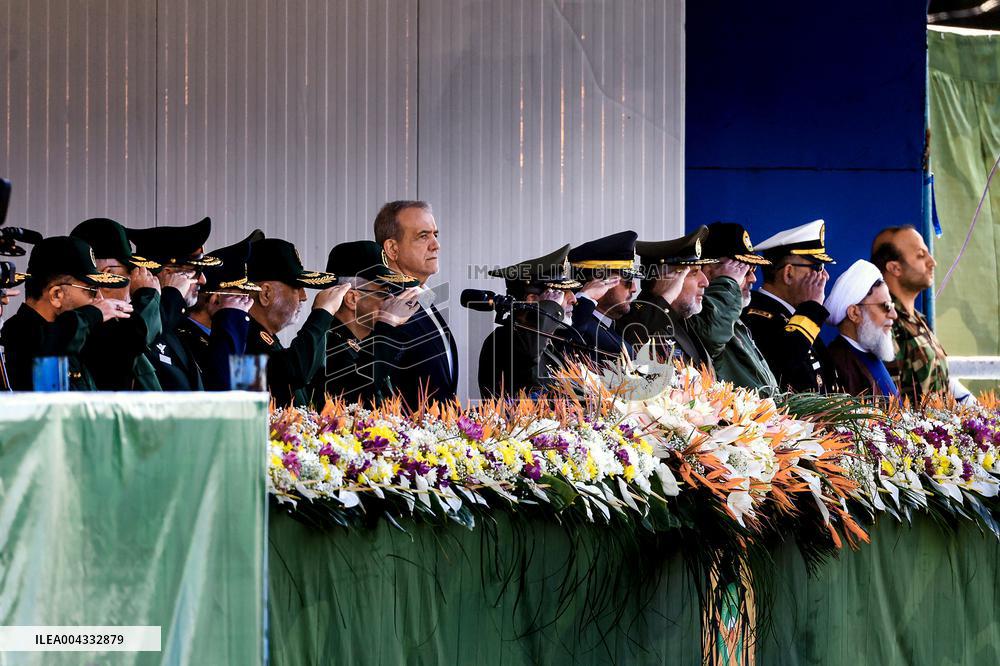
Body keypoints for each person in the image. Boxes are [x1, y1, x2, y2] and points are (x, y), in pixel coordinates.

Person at [0, 236, 132, 390]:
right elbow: (47, 347)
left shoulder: (70, 335)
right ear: (56, 295)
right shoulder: (21, 334)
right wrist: (92, 314)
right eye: (92, 291)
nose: (100, 299)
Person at [307, 240, 422, 407]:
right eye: (384, 293)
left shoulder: (362, 342)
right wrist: (387, 325)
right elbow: (358, 393)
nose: (391, 300)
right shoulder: (326, 346)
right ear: (352, 298)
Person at [871, 225, 971, 403]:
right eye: (920, 255)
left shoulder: (916, 318)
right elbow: (889, 404)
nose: (932, 262)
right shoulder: (886, 321)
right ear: (895, 268)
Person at [245, 237, 350, 407]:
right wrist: (322, 314)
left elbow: (305, 378)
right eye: (296, 288)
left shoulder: (266, 337)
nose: (304, 296)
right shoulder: (244, 337)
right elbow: (291, 373)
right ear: (265, 294)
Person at [374, 200, 459, 406]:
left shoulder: (423, 296)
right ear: (393, 248)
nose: (436, 245)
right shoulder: (383, 305)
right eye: (423, 236)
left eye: (435, 235)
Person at [127, 217, 222, 390]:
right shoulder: (134, 324)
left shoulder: (176, 322)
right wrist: (173, 295)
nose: (203, 280)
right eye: (195, 272)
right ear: (168, 273)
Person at [70, 217, 164, 390]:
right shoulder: (86, 325)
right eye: (131, 271)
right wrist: (147, 296)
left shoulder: (112, 324)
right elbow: (129, 341)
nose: (134, 280)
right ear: (107, 275)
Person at [477, 244, 581, 398]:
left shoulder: (543, 339)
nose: (573, 299)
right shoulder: (507, 339)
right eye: (560, 293)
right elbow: (530, 358)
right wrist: (550, 307)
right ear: (532, 300)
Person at [743, 219, 835, 393]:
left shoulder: (796, 316)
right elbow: (784, 363)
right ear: (788, 273)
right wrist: (813, 307)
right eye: (817, 267)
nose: (825, 276)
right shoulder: (756, 316)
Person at [687, 222, 778, 394]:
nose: (752, 279)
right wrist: (728, 283)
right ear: (707, 270)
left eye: (753, 269)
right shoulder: (699, 315)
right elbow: (710, 335)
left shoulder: (731, 315)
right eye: (742, 270)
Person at [617, 226, 716, 370]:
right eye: (694, 273)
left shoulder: (680, 317)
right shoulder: (635, 317)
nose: (705, 282)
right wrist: (667, 297)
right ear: (666, 279)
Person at [175, 231, 260, 390]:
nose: (248, 304)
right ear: (215, 299)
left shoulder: (235, 335)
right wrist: (232, 318)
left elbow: (250, 396)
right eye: (241, 298)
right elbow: (224, 389)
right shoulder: (186, 339)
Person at [824, 260, 899, 398]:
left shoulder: (870, 352)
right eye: (886, 306)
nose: (894, 315)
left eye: (892, 305)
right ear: (854, 313)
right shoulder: (839, 364)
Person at [564, 230, 639, 364]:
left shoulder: (607, 324)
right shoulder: (579, 326)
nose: (634, 288)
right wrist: (585, 298)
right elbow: (567, 348)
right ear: (597, 282)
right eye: (627, 280)